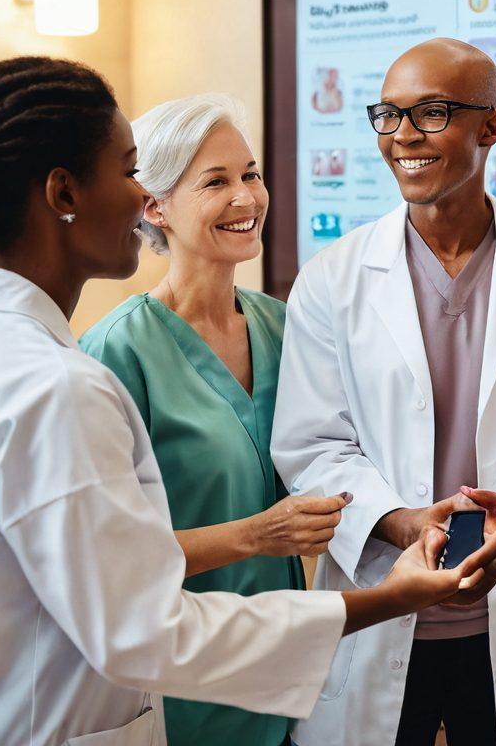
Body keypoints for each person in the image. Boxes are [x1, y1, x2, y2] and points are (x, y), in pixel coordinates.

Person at [0, 56, 496, 746]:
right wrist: (382, 599)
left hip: (239, 685)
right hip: (135, 701)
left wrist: (398, 522)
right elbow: (140, 622)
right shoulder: (67, 382)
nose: (139, 198)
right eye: (129, 173)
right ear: (64, 191)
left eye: (250, 174)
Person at [271, 38, 496, 746]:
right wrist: (401, 522)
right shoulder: (332, 279)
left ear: (491, 126)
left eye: (431, 113)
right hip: (379, 603)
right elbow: (313, 445)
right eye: (388, 115)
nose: (403, 135)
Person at [81, 94, 340, 746]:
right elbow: (104, 559)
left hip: (288, 672)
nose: (246, 197)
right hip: (181, 681)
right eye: (216, 182)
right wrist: (258, 534)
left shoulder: (283, 326)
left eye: (250, 174)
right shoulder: (116, 352)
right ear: (154, 206)